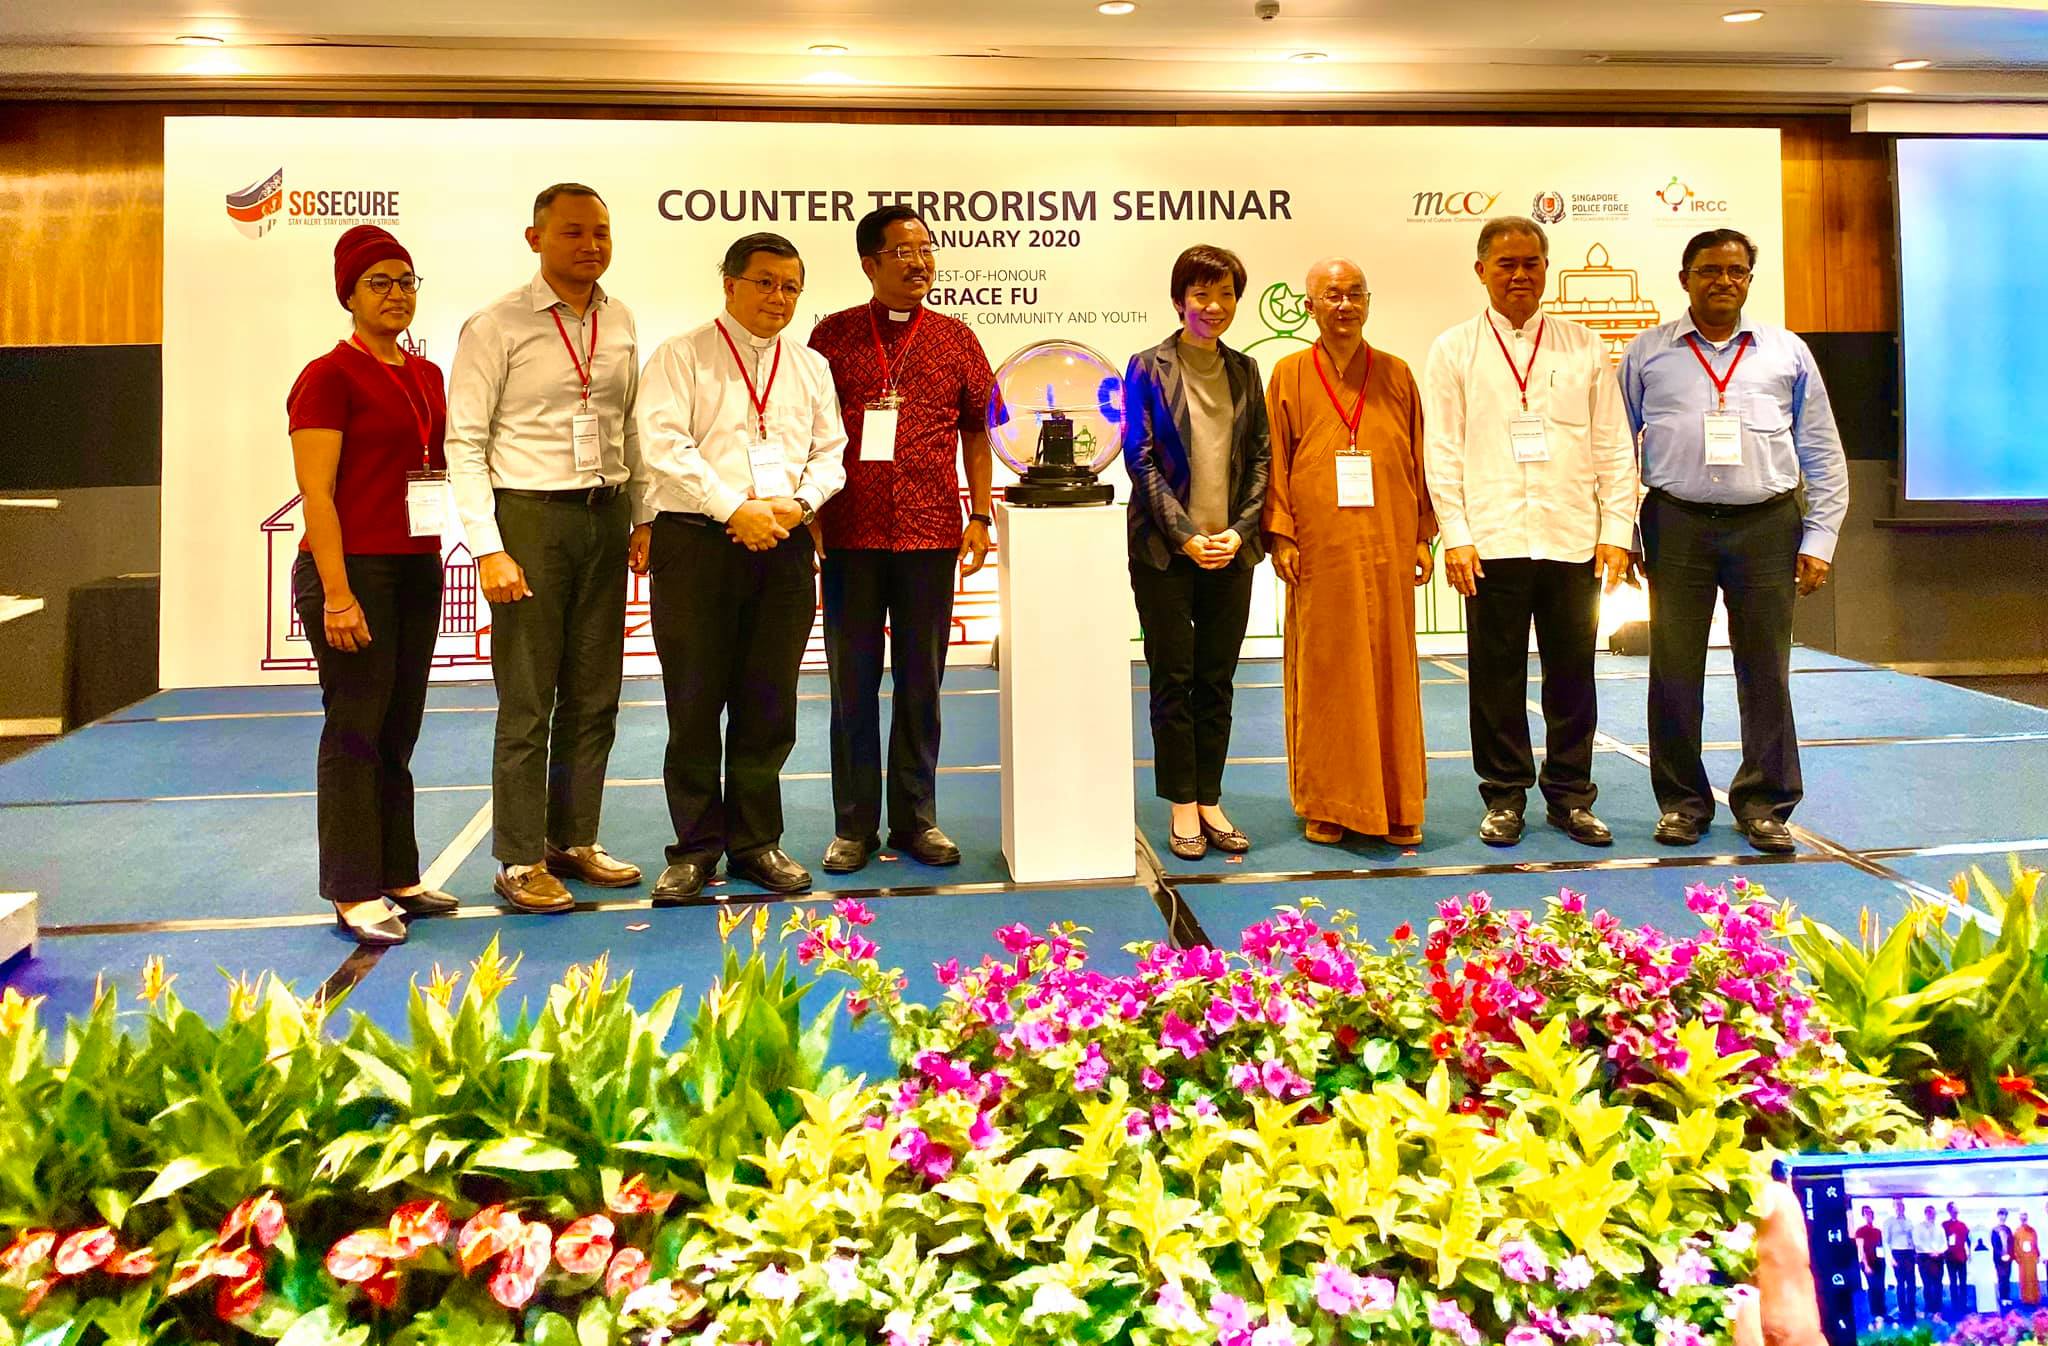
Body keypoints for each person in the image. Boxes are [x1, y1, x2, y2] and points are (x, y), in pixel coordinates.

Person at [446, 183, 646, 913]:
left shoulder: (620, 319)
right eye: (572, 232)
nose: (590, 245)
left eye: (601, 232)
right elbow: (464, 443)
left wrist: (644, 516)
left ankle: (574, 839)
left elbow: (628, 424)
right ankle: (519, 859)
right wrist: (488, 548)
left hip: (605, 515)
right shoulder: (495, 325)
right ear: (535, 239)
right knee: (528, 701)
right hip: (529, 519)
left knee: (595, 695)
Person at [1620, 228, 1848, 855]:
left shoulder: (1787, 352)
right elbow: (1615, 450)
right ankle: (1682, 804)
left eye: (1736, 271)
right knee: (1673, 669)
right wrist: (1623, 531)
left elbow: (1822, 450)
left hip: (1767, 525)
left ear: (1749, 279)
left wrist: (1820, 537)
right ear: (1684, 278)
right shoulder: (1647, 353)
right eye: (1709, 270)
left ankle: (1765, 803)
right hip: (1677, 522)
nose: (1724, 280)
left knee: (1766, 669)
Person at [634, 232, 847, 902]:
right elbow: (663, 446)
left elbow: (832, 453)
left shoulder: (810, 366)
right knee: (694, 702)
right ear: (729, 284)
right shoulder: (681, 355)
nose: (778, 297)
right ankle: (695, 848)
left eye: (791, 287)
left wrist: (800, 504)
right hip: (696, 543)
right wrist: (734, 508)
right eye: (765, 282)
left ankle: (757, 842)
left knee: (768, 702)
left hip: (783, 543)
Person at [1422, 217, 1637, 848]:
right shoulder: (1454, 349)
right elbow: (1442, 450)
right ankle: (1504, 796)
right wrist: (1456, 533)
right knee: (1496, 677)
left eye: (1531, 263)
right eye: (1506, 264)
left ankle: (1570, 796)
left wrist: (1616, 529)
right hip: (1491, 540)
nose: (1519, 275)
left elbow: (1613, 443)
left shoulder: (1583, 346)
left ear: (1546, 268)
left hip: (1573, 537)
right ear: (1481, 271)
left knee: (1573, 675)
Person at [806, 206, 997, 873]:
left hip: (930, 533)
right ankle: (853, 827)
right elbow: (807, 427)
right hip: (850, 534)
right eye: (903, 252)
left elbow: (978, 429)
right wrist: (809, 510)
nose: (920, 263)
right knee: (851, 686)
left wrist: (981, 515)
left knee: (922, 685)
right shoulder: (831, 336)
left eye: (927, 249)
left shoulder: (955, 337)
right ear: (869, 263)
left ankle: (917, 820)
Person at [286, 226, 459, 947]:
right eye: (378, 282)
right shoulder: (327, 376)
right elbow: (317, 493)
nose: (396, 294)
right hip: (352, 568)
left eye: (406, 280)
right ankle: (353, 888)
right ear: (349, 296)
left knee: (398, 727)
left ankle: (398, 873)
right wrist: (337, 592)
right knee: (355, 727)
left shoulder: (427, 375)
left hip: (416, 565)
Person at [1264, 258, 1436, 846]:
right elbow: (1275, 460)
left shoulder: (1396, 373)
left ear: (1368, 302)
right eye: (1332, 295)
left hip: (1388, 539)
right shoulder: (1289, 374)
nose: (1345, 304)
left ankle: (1397, 800)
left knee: (1392, 666)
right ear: (1309, 306)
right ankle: (1330, 802)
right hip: (1321, 546)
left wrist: (1422, 534)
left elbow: (1417, 456)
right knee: (1326, 670)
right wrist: (1281, 533)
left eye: (1355, 294)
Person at [1121, 244, 1272, 859]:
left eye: (1225, 294)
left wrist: (1239, 530)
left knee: (1217, 680)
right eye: (1201, 294)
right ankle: (1181, 804)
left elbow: (1260, 457)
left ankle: (1210, 797)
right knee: (1172, 678)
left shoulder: (1246, 370)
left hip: (1232, 550)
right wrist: (1185, 534)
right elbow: (1140, 459)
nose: (1214, 306)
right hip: (1164, 552)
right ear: (1179, 300)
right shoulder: (1146, 367)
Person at [1886, 1198, 1920, 1325]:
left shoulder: (1909, 1221)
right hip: (1897, 1253)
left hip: (1909, 1253)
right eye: (1898, 1206)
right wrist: (1890, 1257)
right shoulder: (1889, 1222)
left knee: (1911, 1282)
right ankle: (1902, 1308)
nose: (1900, 1208)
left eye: (1902, 1206)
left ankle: (1911, 1307)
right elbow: (1886, 1241)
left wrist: (1915, 1253)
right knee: (1900, 1282)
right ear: (1894, 1208)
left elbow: (1913, 1238)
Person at [1853, 1205, 1887, 1327]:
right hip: (1868, 1262)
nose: (1870, 1216)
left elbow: (1881, 1247)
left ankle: (1882, 1312)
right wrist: (1866, 1264)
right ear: (1863, 1215)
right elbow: (1860, 1249)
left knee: (1881, 1287)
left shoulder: (1878, 1231)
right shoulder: (1860, 1231)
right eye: (1867, 1213)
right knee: (1873, 1287)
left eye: (1871, 1213)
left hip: (1879, 1261)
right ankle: (1875, 1313)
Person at [1916, 1204, 1949, 1318]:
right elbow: (1917, 1242)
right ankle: (1929, 1308)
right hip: (1924, 1258)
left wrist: (1939, 1252)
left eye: (1934, 1214)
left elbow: (1944, 1243)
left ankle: (1938, 1308)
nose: (1933, 1215)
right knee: (1927, 1284)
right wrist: (1929, 1252)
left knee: (1938, 1283)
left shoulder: (1939, 1228)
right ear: (1926, 1214)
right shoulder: (1919, 1227)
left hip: (1938, 1258)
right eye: (1930, 1213)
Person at [1943, 1202, 1973, 1318]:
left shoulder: (1962, 1225)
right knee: (1953, 1281)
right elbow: (1941, 1240)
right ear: (1949, 1211)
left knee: (1963, 1281)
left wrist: (1970, 1252)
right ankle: (1955, 1304)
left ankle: (1963, 1304)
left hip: (1961, 1256)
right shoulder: (1944, 1225)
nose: (1955, 1213)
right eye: (1953, 1211)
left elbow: (1968, 1240)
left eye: (1956, 1211)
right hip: (1950, 1257)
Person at [1993, 1209, 2016, 1308]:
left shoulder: (2008, 1229)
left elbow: (2012, 1243)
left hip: (2008, 1258)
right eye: (2001, 1215)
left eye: (2004, 1215)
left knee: (2007, 1277)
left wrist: (2010, 1255)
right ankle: (2002, 1298)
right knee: (2001, 1278)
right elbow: (1995, 1245)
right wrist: (2001, 1255)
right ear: (1998, 1216)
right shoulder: (1994, 1230)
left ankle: (2007, 1297)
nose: (2003, 1217)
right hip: (1999, 1259)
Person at [2018, 1212, 2041, 1306]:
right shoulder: (2017, 1231)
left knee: (2033, 1278)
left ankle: (2035, 1298)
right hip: (2023, 1260)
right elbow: (2015, 1246)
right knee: (2024, 1279)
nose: (2023, 1219)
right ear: (2020, 1219)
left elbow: (2035, 1244)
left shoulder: (2032, 1230)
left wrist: (2037, 1255)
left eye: (2025, 1217)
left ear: (2027, 1218)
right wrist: (2018, 1258)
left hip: (2031, 1258)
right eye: (2022, 1218)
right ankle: (2026, 1299)